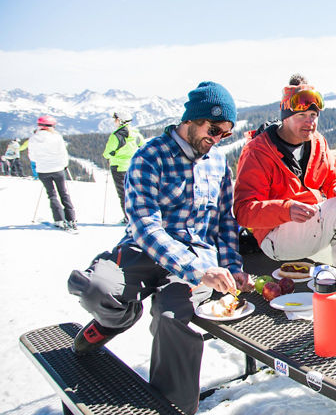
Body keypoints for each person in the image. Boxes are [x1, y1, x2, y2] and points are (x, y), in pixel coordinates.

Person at [67, 82, 252, 414]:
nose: (218, 139)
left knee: (171, 317)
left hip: (198, 256)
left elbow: (225, 223)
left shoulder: (218, 163)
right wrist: (198, 270)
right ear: (192, 119)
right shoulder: (149, 157)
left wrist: (232, 266)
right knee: (95, 288)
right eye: (214, 129)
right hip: (145, 250)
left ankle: (174, 408)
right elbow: (145, 226)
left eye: (226, 133)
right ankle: (117, 318)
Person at [234, 80, 336, 275]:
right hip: (276, 236)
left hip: (311, 226)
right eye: (301, 116)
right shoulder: (258, 152)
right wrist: (286, 210)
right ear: (285, 118)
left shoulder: (317, 141)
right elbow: (243, 211)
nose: (310, 122)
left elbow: (332, 176)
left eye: (313, 115)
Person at [27, 116, 78, 230]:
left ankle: (59, 219)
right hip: (58, 168)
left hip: (43, 170)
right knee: (64, 193)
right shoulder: (56, 137)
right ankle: (71, 219)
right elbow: (63, 153)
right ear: (52, 126)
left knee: (52, 195)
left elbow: (32, 157)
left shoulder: (33, 139)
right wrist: (64, 165)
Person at [103, 110, 145, 222]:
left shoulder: (116, 136)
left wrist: (111, 155)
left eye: (115, 119)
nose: (114, 121)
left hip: (118, 167)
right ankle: (138, 215)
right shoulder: (136, 134)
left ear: (120, 121)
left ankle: (128, 218)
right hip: (133, 167)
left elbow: (107, 152)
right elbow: (143, 146)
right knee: (135, 192)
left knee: (123, 194)